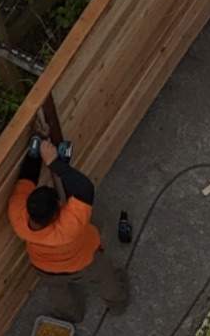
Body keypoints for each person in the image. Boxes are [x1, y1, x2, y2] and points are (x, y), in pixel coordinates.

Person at [9, 136, 129, 320]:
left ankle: (71, 315)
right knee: (107, 280)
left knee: (58, 293)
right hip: (84, 264)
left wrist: (34, 154)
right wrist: (55, 162)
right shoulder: (69, 226)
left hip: (45, 269)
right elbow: (84, 188)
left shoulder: (18, 216)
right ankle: (117, 305)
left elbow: (26, 178)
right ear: (57, 214)